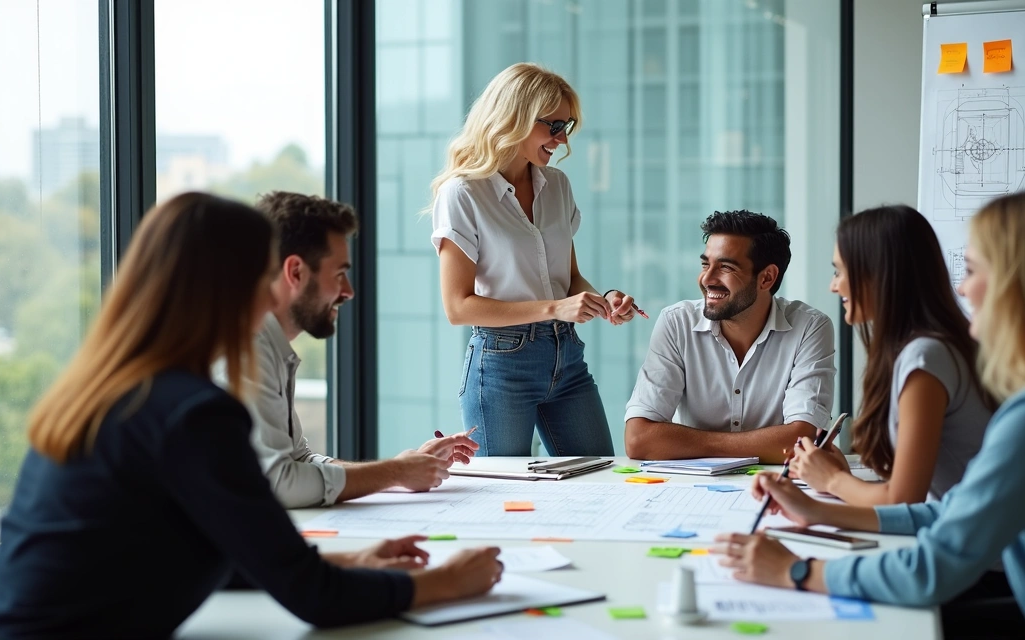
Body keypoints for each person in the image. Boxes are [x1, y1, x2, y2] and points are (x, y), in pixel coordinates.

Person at [0, 193, 502, 638]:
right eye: (264, 278)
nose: (272, 301)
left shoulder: (108, 388)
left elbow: (206, 549)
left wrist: (348, 562)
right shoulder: (193, 415)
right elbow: (312, 599)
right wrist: (446, 582)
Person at [714, 188, 1025, 639]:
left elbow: (933, 568)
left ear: (1021, 283)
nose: (962, 287)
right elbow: (949, 512)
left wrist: (796, 571)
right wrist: (820, 510)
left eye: (974, 270)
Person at [430, 62, 638, 457]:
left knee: (596, 482)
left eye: (567, 127)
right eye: (553, 126)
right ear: (515, 117)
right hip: (502, 366)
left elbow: (570, 277)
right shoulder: (463, 194)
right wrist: (557, 307)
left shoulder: (557, 185)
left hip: (567, 356)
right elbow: (458, 307)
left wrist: (603, 300)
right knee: (503, 496)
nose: (561, 139)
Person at [241, 192, 477, 509]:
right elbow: (281, 482)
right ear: (295, 272)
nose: (349, 292)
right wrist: (395, 472)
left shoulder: (270, 345)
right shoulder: (246, 350)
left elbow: (301, 460)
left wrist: (402, 468)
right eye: (339, 274)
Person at [790, 206, 994, 504]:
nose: (833, 285)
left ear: (878, 273)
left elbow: (903, 498)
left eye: (840, 271)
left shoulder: (926, 357)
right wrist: (838, 476)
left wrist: (834, 480)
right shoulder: (930, 347)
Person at [624, 211, 836, 463]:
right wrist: (763, 444)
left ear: (767, 277)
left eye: (725, 267)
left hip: (775, 487)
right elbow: (638, 440)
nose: (707, 279)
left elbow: (801, 441)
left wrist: (683, 441)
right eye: (705, 264)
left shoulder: (809, 327)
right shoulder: (676, 323)